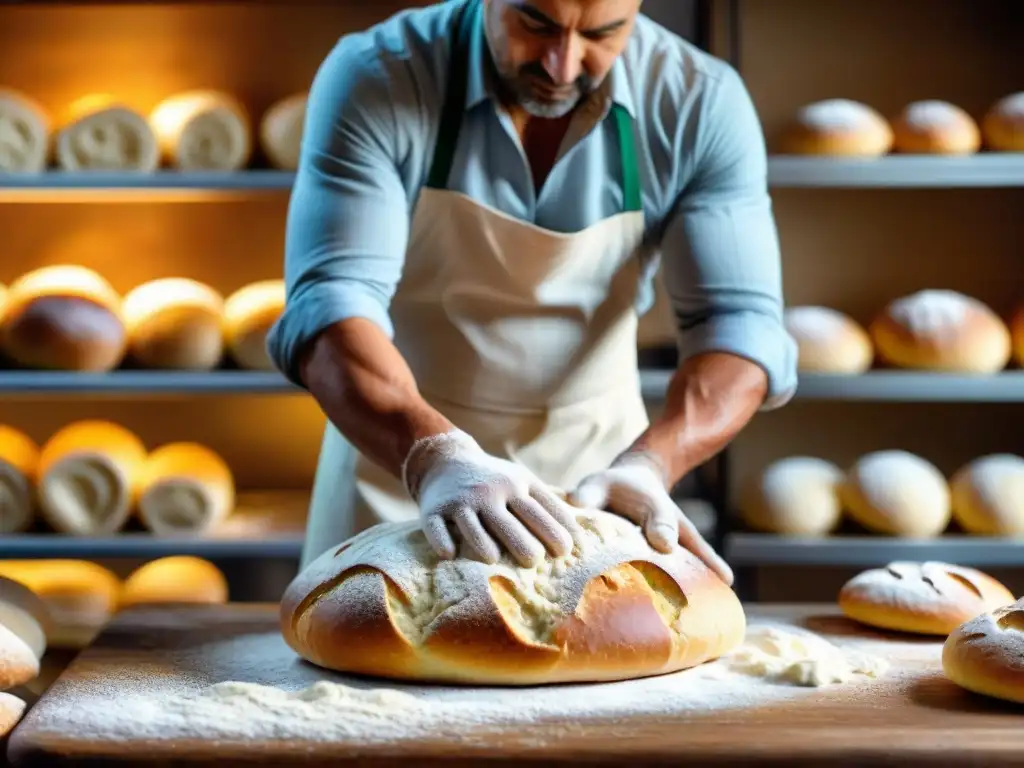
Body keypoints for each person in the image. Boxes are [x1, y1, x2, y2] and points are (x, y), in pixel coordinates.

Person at [267, 0, 798, 582]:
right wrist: (433, 458)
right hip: (396, 462)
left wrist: (654, 462)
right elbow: (331, 303)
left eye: (602, 32)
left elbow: (740, 323)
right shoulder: (380, 74)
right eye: (536, 23)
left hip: (597, 485)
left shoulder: (697, 99)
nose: (562, 65)